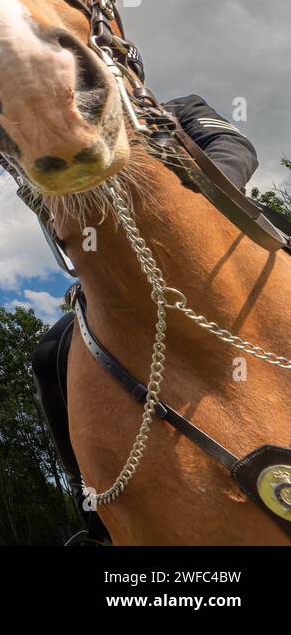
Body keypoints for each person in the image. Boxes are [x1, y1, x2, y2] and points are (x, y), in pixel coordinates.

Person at [31, 94, 261, 544]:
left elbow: (235, 150)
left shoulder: (183, 109)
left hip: (218, 239)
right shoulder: (82, 147)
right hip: (129, 281)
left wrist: (184, 209)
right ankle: (100, 521)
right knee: (47, 353)